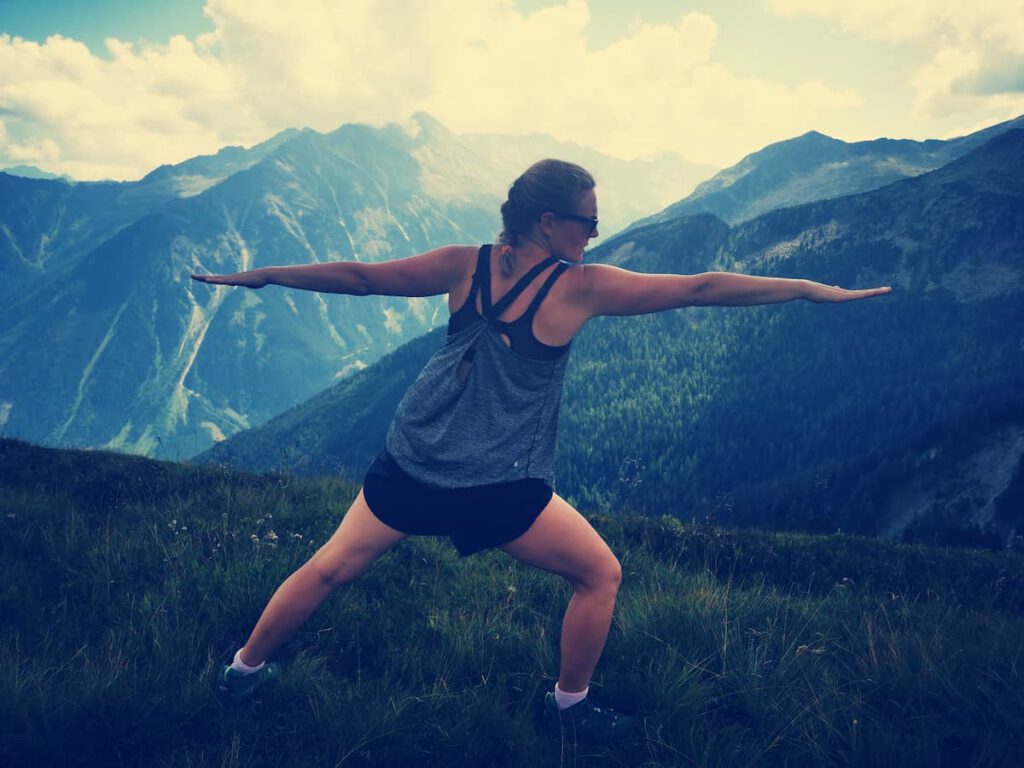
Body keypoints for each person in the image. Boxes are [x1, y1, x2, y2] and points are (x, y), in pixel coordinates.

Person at [190, 158, 891, 741]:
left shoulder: (464, 265)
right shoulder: (580, 288)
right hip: (501, 487)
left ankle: (243, 673)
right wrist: (806, 288)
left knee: (329, 567)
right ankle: (568, 707)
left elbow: (362, 276)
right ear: (548, 223)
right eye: (588, 220)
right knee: (601, 575)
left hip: (413, 462)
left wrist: (265, 275)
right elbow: (701, 289)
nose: (596, 231)